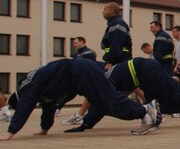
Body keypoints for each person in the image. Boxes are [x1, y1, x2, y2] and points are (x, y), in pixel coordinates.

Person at [0, 58, 157, 141]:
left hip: (80, 71)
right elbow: (48, 105)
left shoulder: (28, 86)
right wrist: (44, 129)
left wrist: (11, 132)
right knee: (103, 104)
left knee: (108, 100)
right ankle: (143, 111)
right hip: (81, 74)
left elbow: (24, 107)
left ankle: (144, 111)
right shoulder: (37, 88)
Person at [73, 57, 180, 133]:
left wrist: (85, 124)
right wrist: (86, 124)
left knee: (176, 92)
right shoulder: (106, 74)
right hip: (145, 74)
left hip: (146, 71)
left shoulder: (105, 79)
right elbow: (100, 103)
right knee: (164, 106)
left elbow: (101, 104)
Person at [60, 37, 97, 125]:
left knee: (90, 96)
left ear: (82, 42)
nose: (74, 45)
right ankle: (79, 115)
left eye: (76, 43)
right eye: (74, 43)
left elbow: (89, 66)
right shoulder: (77, 54)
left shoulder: (88, 53)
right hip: (79, 78)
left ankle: (79, 116)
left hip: (86, 78)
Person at [100, 2, 132, 68]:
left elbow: (116, 43)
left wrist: (111, 62)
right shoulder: (114, 24)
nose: (103, 12)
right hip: (119, 60)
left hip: (119, 61)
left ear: (111, 10)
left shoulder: (117, 24)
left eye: (105, 9)